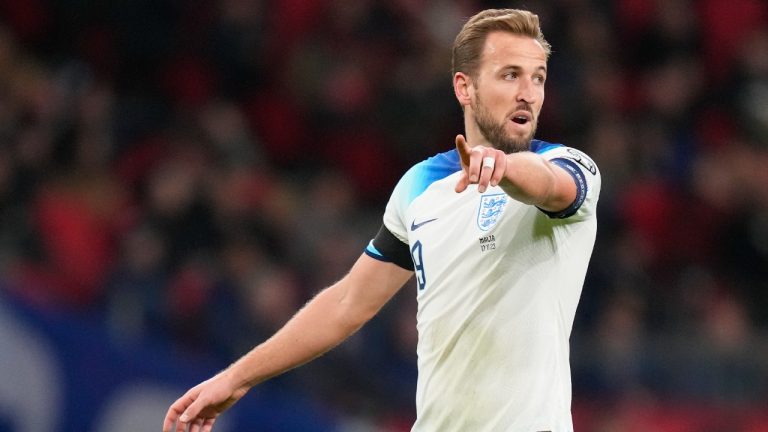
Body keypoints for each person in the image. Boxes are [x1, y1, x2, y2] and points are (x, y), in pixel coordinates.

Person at [163, 8, 600, 432]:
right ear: (464, 88)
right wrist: (235, 379)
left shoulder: (568, 165)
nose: (528, 93)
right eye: (510, 75)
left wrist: (506, 168)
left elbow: (550, 185)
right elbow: (347, 303)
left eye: (538, 77)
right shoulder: (420, 186)